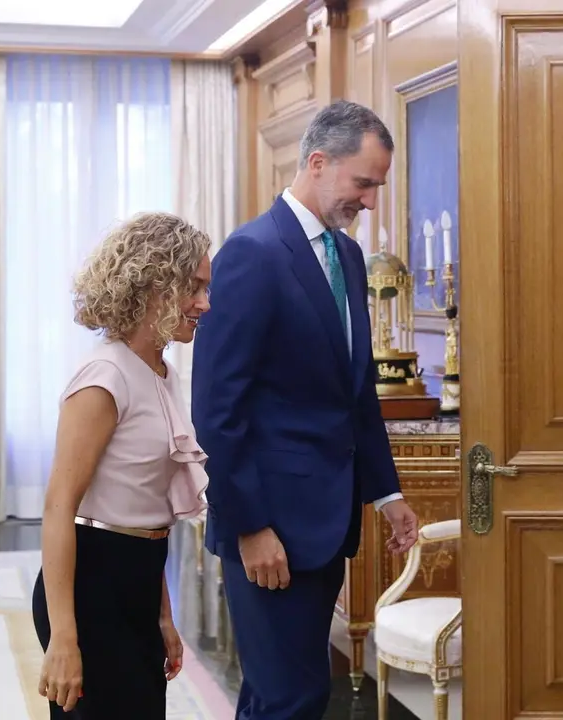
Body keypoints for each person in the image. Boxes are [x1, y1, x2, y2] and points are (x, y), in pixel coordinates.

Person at [191, 100, 419, 720]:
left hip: (326, 524)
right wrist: (249, 527)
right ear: (318, 162)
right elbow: (217, 411)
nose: (371, 201)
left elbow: (355, 392)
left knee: (276, 696)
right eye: (363, 183)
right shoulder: (251, 254)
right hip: (269, 530)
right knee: (295, 698)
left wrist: (386, 493)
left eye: (377, 185)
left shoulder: (345, 257)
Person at [31, 212, 212, 719]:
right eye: (194, 288)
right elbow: (59, 508)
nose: (205, 303)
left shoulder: (160, 370)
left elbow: (146, 507)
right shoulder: (104, 376)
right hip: (90, 590)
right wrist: (64, 639)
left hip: (138, 580)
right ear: (156, 286)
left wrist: (163, 615)